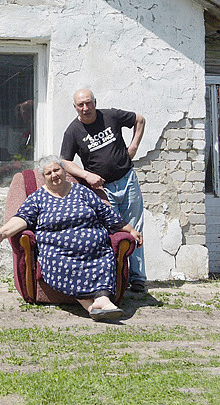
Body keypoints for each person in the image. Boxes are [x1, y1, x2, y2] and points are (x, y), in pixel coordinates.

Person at [0, 155, 140, 321]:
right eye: (48, 173)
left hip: (94, 249)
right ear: (44, 177)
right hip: (57, 252)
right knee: (61, 263)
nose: (54, 175)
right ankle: (97, 304)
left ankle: (99, 301)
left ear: (64, 171)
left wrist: (130, 229)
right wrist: (2, 234)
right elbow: (22, 218)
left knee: (103, 257)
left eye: (56, 170)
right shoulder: (38, 198)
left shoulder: (82, 192)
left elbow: (106, 214)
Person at [60, 88, 148, 292]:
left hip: (127, 180)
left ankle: (138, 278)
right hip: (102, 189)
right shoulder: (73, 131)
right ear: (75, 108)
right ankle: (115, 279)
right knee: (112, 231)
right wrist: (86, 175)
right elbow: (65, 161)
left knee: (135, 227)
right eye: (80, 105)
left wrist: (134, 147)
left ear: (95, 102)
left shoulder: (111, 115)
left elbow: (140, 120)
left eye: (88, 103)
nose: (85, 108)